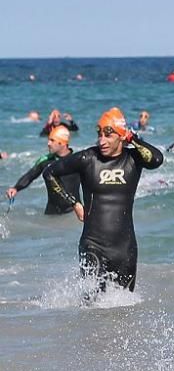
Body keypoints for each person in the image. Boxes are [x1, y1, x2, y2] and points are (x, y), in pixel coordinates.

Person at [43, 107, 164, 294]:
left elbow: (156, 159)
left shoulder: (133, 159)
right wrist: (74, 203)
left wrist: (132, 138)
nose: (102, 141)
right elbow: (49, 173)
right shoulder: (88, 158)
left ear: (121, 136)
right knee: (92, 305)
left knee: (124, 308)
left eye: (108, 135)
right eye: (99, 134)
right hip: (93, 244)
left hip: (125, 248)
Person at [7, 125, 81, 215]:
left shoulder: (77, 160)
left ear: (62, 143)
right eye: (49, 140)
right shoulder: (46, 161)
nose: (48, 143)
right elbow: (30, 175)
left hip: (73, 213)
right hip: (52, 213)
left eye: (52, 140)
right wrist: (16, 188)